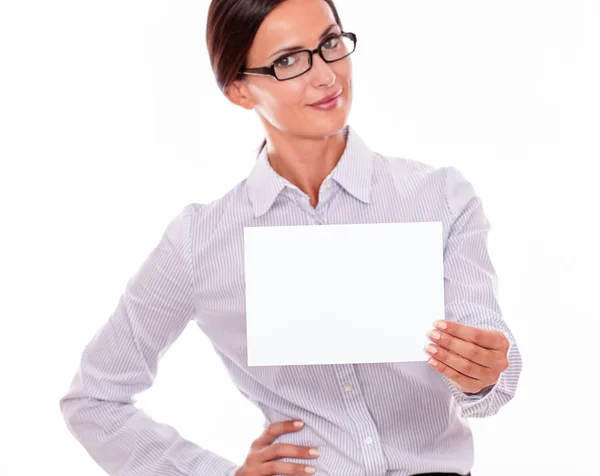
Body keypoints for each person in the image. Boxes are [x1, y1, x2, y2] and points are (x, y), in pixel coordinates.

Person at [59, 0, 522, 475]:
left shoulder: (440, 198)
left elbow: (493, 375)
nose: (325, 76)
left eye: (329, 44)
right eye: (288, 61)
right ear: (239, 89)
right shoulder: (202, 242)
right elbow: (93, 398)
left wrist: (485, 370)